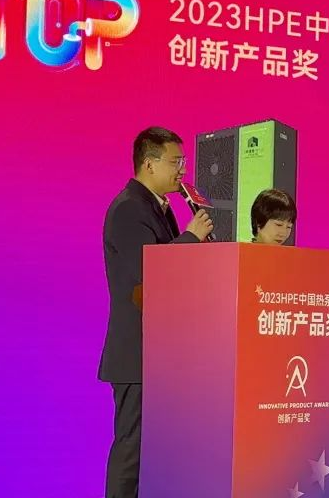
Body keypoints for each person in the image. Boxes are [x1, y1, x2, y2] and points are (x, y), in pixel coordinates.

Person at [99, 126, 213, 498]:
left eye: (183, 162)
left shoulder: (157, 207)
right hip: (138, 353)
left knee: (153, 452)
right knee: (132, 449)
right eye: (175, 162)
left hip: (160, 353)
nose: (183, 170)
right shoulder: (129, 208)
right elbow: (150, 270)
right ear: (149, 164)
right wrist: (191, 237)